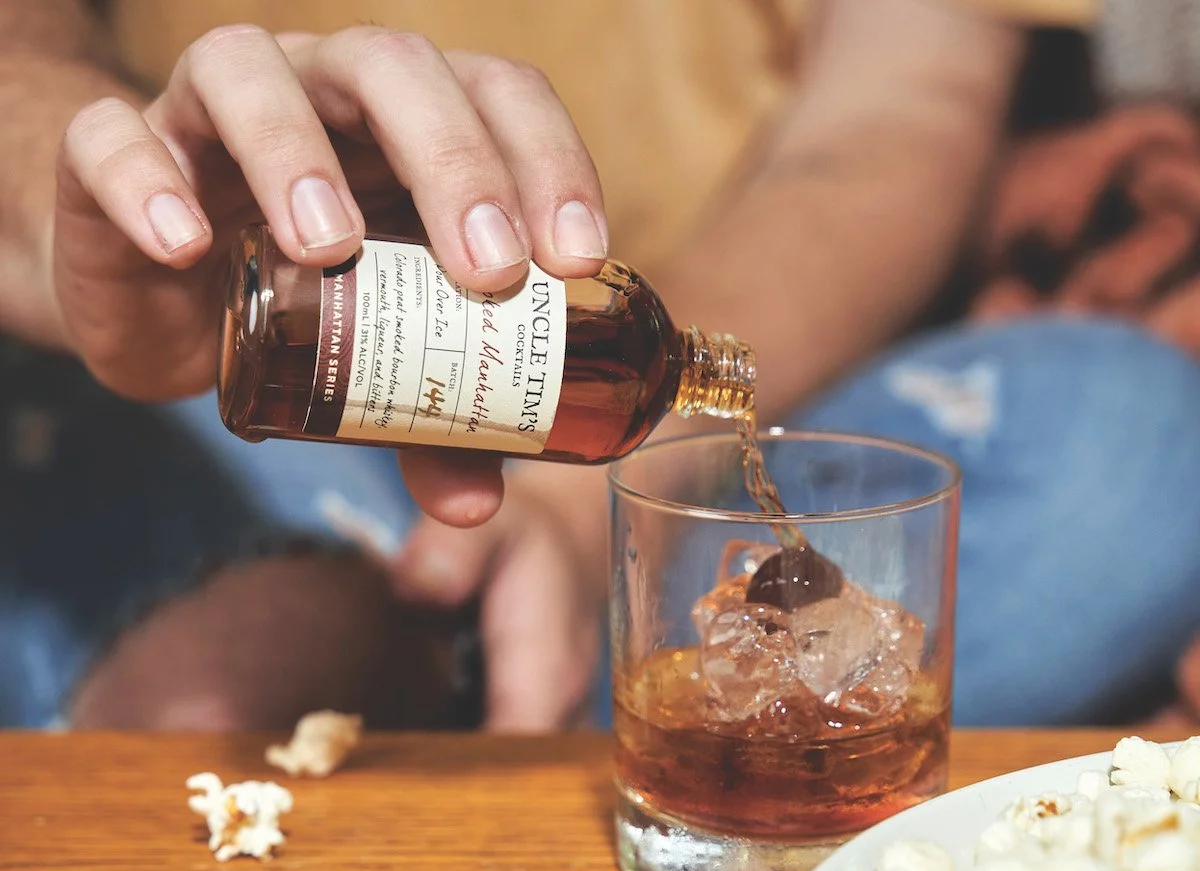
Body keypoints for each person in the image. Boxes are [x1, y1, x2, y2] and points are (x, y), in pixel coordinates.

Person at [8, 0, 1200, 729]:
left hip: (759, 387)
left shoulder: (646, 361)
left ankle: (457, 670)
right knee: (244, 660)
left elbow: (892, 125)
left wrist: (582, 510)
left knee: (1134, 436)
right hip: (232, 345)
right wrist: (115, 201)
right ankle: (434, 661)